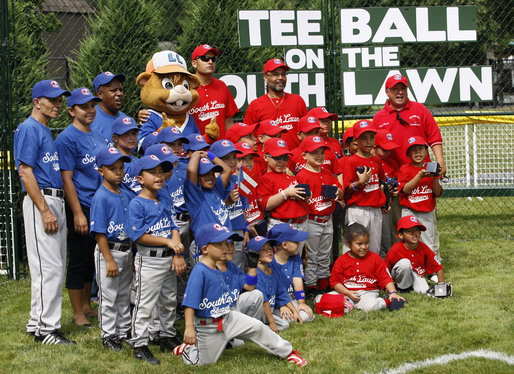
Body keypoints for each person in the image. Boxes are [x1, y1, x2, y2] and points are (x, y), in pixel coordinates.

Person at [172, 223, 307, 367]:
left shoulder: (228, 266)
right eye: (220, 244)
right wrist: (189, 328)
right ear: (205, 249)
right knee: (203, 363)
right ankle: (189, 349)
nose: (227, 247)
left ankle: (288, 352)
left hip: (229, 316)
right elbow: (190, 303)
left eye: (227, 243)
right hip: (209, 325)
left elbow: (249, 286)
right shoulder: (200, 271)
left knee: (258, 326)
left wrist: (252, 266)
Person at [13, 79, 75, 345]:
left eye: (60, 100)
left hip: (53, 200)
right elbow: (25, 172)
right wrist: (45, 210)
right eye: (52, 100)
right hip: (42, 201)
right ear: (36, 102)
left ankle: (37, 323)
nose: (58, 104)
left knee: (50, 267)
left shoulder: (42, 129)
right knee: (49, 267)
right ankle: (47, 329)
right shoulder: (29, 128)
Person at [55, 87, 108, 328]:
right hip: (82, 204)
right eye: (84, 106)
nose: (90, 110)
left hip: (98, 204)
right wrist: (77, 213)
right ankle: (77, 313)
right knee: (78, 257)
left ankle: (87, 305)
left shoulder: (95, 134)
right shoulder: (66, 138)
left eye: (92, 105)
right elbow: (67, 178)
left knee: (90, 257)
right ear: (70, 110)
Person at [126, 155, 186, 365]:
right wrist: (168, 242)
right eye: (153, 173)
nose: (159, 176)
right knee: (145, 303)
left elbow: (173, 226)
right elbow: (138, 235)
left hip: (167, 258)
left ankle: (166, 335)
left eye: (162, 172)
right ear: (140, 179)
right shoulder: (137, 203)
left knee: (169, 300)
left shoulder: (164, 199)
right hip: (149, 260)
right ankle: (139, 343)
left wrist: (176, 249)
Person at [89, 147, 133, 351]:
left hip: (126, 249)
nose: (118, 172)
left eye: (121, 168)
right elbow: (99, 233)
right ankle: (108, 335)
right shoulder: (101, 197)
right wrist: (108, 259)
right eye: (112, 168)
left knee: (124, 294)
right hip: (109, 251)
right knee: (108, 296)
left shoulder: (125, 194)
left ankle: (123, 331)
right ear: (100, 171)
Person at [296, 136, 344, 297]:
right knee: (311, 256)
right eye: (314, 152)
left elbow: (341, 192)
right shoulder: (301, 176)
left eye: (321, 152)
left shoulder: (328, 173)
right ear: (304, 156)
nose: (319, 156)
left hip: (327, 218)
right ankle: (311, 287)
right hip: (311, 220)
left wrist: (338, 192)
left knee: (325, 254)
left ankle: (324, 284)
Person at [372, 74, 446, 177]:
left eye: (403, 88)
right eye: (395, 89)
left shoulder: (420, 110)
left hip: (421, 170)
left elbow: (435, 138)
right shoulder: (379, 118)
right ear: (387, 92)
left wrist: (440, 160)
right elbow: (373, 148)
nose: (400, 92)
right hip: (394, 172)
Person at [330, 222, 405, 312]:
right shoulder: (341, 260)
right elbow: (335, 282)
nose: (364, 247)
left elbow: (386, 278)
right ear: (348, 243)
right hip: (346, 292)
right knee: (320, 299)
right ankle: (348, 303)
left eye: (366, 243)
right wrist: (347, 293)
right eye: (359, 244)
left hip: (367, 293)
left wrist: (393, 292)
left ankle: (386, 301)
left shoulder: (375, 258)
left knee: (370, 307)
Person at [343, 120, 387, 254]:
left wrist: (386, 200)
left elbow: (381, 183)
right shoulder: (351, 161)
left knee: (374, 247)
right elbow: (347, 188)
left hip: (375, 209)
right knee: (353, 245)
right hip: (357, 209)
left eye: (371, 137)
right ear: (356, 141)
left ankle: (370, 274)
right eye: (364, 138)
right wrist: (359, 183)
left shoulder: (377, 160)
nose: (369, 142)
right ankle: (350, 274)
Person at [243, 58, 308, 150]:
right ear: (266, 78)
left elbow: (307, 132)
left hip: (295, 159)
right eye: (275, 74)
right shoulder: (256, 105)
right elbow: (247, 136)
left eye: (283, 74)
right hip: (268, 159)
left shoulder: (298, 101)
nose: (280, 78)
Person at [398, 136, 443, 260]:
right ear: (408, 154)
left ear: (426, 151)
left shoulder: (431, 167)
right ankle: (411, 266)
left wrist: (434, 178)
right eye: (413, 150)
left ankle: (431, 269)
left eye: (420, 148)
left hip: (426, 211)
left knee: (429, 242)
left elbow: (437, 192)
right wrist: (419, 176)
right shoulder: (405, 169)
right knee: (408, 241)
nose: (417, 152)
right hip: (409, 210)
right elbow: (405, 189)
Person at [256, 138, 309, 241]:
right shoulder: (266, 178)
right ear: (266, 157)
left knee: (298, 256)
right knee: (282, 256)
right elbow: (265, 205)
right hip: (280, 223)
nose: (282, 161)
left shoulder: (292, 176)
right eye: (277, 158)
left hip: (301, 222)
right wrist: (286, 193)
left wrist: (305, 196)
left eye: (285, 158)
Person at [209, 139, 249, 270]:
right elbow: (211, 211)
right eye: (226, 158)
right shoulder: (211, 182)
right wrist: (228, 202)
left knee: (237, 267)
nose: (232, 162)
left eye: (234, 157)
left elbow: (243, 207)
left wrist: (246, 229)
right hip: (221, 231)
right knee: (220, 267)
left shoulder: (236, 179)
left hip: (238, 229)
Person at [189, 44, 239, 142]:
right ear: (194, 63)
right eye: (205, 58)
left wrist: (233, 144)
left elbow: (228, 121)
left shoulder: (222, 86)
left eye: (213, 59)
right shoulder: (186, 88)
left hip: (221, 148)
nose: (210, 62)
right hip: (196, 148)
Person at [267, 223, 315, 324]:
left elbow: (297, 279)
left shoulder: (295, 256)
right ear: (284, 245)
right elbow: (271, 289)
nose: (299, 244)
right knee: (288, 319)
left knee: (307, 315)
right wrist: (282, 305)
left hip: (292, 298)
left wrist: (301, 303)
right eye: (296, 242)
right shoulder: (270, 262)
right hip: (276, 301)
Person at [385, 216, 444, 294]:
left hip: (416, 273)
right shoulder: (396, 249)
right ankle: (402, 288)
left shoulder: (423, 247)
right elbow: (385, 269)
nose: (414, 233)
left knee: (424, 291)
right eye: (409, 231)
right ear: (400, 235)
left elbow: (438, 267)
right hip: (398, 274)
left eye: (416, 230)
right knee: (405, 263)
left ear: (420, 232)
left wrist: (441, 285)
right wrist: (387, 286)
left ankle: (409, 286)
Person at [253, 236, 300, 332]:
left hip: (270, 310)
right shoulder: (255, 273)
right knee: (282, 324)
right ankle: (257, 328)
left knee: (285, 324)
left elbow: (281, 292)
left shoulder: (271, 270)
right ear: (254, 254)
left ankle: (262, 327)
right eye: (263, 250)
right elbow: (264, 301)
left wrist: (295, 312)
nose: (269, 252)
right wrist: (272, 322)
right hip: (258, 313)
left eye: (270, 249)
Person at [373, 129, 401, 258]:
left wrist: (394, 189)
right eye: (385, 149)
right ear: (374, 147)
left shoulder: (392, 163)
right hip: (375, 203)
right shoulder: (373, 162)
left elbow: (396, 180)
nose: (388, 152)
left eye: (390, 149)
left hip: (388, 203)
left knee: (388, 233)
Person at [91, 71, 126, 143]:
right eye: (113, 90)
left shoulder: (125, 119)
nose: (119, 93)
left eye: (121, 90)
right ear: (100, 94)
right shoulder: (90, 120)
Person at [111, 115, 141, 199]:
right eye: (126, 134)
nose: (131, 138)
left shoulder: (139, 162)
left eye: (134, 134)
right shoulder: (111, 162)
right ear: (115, 138)